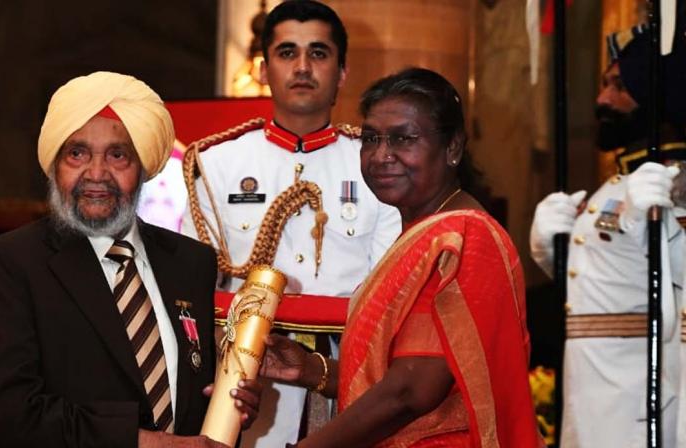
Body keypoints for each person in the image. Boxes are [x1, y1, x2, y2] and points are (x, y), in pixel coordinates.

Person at [0, 71, 261, 448]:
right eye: (77, 154)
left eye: (117, 155)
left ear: (143, 168)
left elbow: (194, 394)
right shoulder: (12, 261)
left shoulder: (192, 262)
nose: (96, 174)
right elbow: (12, 414)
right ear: (55, 165)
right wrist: (152, 444)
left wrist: (230, 407)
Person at [260, 67, 543, 447]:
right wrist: (312, 369)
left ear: (453, 148)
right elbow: (398, 377)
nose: (381, 156)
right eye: (371, 139)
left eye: (403, 139)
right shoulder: (426, 234)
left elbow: (411, 390)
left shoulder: (462, 236)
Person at [182, 1, 401, 446]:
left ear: (342, 72)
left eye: (318, 53)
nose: (302, 67)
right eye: (287, 53)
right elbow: (192, 289)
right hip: (247, 374)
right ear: (264, 70)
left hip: (345, 374)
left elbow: (390, 294)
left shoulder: (375, 166)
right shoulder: (217, 164)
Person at [530, 23, 686, 448]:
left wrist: (661, 223)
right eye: (604, 84)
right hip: (589, 396)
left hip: (640, 402)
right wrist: (551, 249)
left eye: (619, 85)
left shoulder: (673, 184)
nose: (602, 99)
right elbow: (605, 287)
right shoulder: (615, 188)